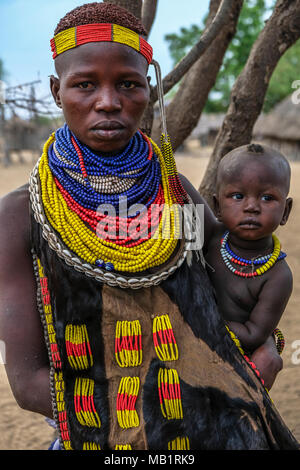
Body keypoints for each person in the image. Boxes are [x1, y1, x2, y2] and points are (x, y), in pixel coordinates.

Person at [0, 2, 298, 451]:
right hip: (101, 436)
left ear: (148, 89)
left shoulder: (175, 193)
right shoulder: (21, 216)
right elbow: (28, 384)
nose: (108, 101)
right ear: (57, 91)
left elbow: (242, 275)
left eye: (128, 84)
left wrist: (266, 343)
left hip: (210, 427)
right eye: (84, 85)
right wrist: (150, 417)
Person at [202, 143, 293, 390]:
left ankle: (248, 416)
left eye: (267, 198)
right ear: (218, 207)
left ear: (285, 212)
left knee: (268, 360)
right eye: (238, 196)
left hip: (242, 352)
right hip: (197, 339)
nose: (252, 207)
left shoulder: (277, 275)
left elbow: (254, 334)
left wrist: (200, 316)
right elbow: (179, 186)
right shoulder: (212, 236)